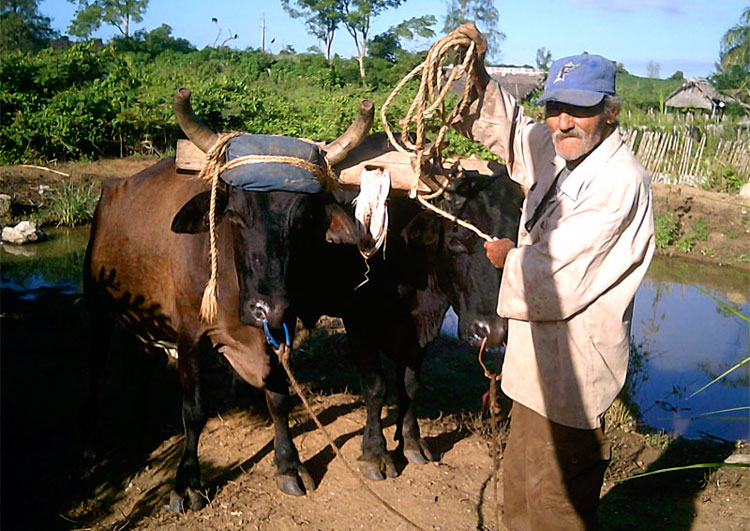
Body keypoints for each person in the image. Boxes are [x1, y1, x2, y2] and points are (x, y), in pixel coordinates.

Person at [453, 24, 655, 530]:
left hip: (572, 371)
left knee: (555, 506)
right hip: (537, 365)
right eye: (554, 106)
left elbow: (559, 274)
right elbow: (516, 132)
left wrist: (508, 258)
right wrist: (478, 73)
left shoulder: (617, 180)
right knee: (521, 489)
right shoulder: (557, 144)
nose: (563, 122)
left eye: (580, 109)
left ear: (610, 113)